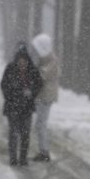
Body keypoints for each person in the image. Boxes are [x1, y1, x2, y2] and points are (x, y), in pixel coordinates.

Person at [1, 44, 43, 166]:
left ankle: (23, 158)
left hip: (27, 108)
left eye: (24, 60)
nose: (22, 62)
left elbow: (39, 84)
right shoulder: (10, 68)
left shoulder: (33, 70)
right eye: (20, 59)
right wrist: (12, 96)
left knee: (25, 134)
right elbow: (4, 85)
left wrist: (31, 93)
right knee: (13, 133)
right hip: (12, 107)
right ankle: (13, 158)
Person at [30, 33, 59, 162]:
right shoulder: (46, 59)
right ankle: (43, 150)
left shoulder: (52, 61)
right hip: (43, 95)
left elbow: (41, 75)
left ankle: (44, 151)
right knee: (39, 124)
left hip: (45, 96)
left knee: (40, 124)